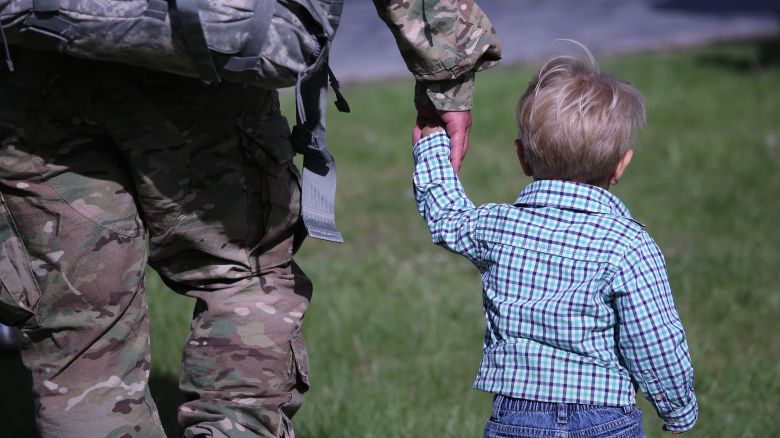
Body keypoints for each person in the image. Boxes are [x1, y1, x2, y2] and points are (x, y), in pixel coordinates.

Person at [0, 1, 500, 437]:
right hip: (193, 63)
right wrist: (447, 80)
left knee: (79, 332)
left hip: (27, 68)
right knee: (243, 282)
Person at [412, 51, 697, 437]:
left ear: (522, 158)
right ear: (620, 166)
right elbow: (655, 342)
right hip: (604, 419)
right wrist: (678, 408)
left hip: (516, 420)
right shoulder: (629, 245)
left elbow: (447, 216)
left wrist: (432, 146)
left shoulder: (501, 227)